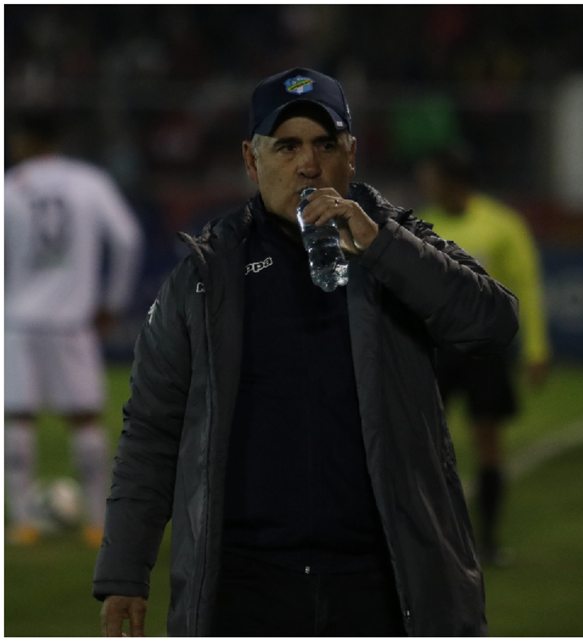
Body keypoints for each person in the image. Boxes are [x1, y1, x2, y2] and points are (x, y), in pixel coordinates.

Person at [93, 68, 518, 637]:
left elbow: (492, 323)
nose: (309, 166)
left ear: (353, 155)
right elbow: (150, 429)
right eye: (287, 146)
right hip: (245, 586)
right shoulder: (205, 276)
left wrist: (379, 244)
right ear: (251, 159)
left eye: (325, 145)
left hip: (382, 583)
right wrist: (125, 570)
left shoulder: (396, 243)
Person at [5, 113, 144, 550]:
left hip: (18, 320)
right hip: (72, 320)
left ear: (25, 139)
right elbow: (126, 238)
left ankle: (23, 521)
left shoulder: (10, 186)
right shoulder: (89, 182)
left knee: (17, 418)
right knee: (84, 417)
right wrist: (113, 302)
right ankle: (97, 521)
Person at [416, 150, 550, 565]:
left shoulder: (501, 225)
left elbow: (525, 286)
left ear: (453, 182)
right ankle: (426, 539)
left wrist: (535, 348)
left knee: (488, 442)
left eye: (432, 178)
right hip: (436, 348)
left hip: (485, 352)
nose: (426, 186)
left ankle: (487, 542)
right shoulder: (419, 224)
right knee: (420, 442)